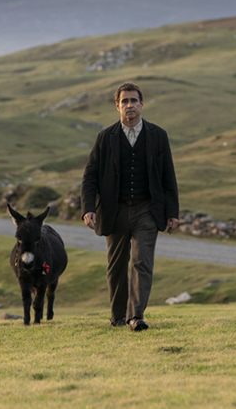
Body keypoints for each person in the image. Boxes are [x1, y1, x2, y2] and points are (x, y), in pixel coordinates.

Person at [81, 81, 179, 331]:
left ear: (142, 104)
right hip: (115, 210)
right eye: (124, 101)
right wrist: (88, 208)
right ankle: (118, 316)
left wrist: (172, 213)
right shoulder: (105, 138)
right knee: (116, 266)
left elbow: (169, 177)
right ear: (117, 106)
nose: (130, 105)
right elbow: (90, 176)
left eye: (134, 100)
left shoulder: (158, 136)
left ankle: (136, 316)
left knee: (142, 262)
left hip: (147, 210)